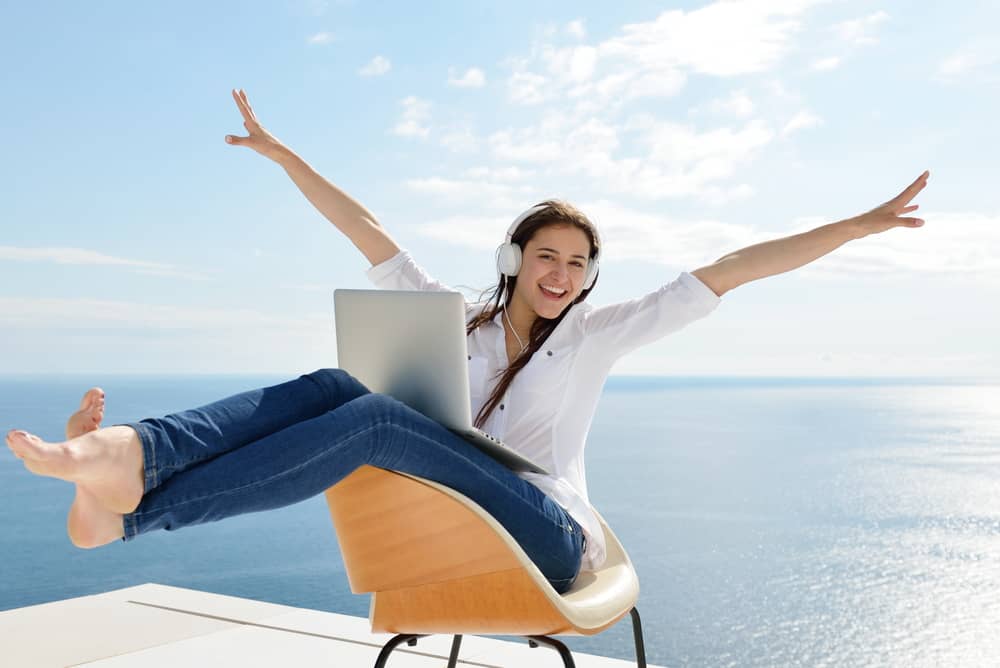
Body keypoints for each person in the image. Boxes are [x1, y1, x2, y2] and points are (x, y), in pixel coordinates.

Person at [5, 89, 930, 595]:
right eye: (545, 254)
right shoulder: (460, 320)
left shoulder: (600, 336)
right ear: (515, 257)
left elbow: (733, 266)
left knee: (370, 416)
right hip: (463, 514)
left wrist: (853, 224)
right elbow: (367, 230)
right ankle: (128, 460)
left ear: (590, 276)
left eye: (578, 261)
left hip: (550, 535)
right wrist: (286, 157)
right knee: (339, 382)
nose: (561, 273)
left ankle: (132, 504)